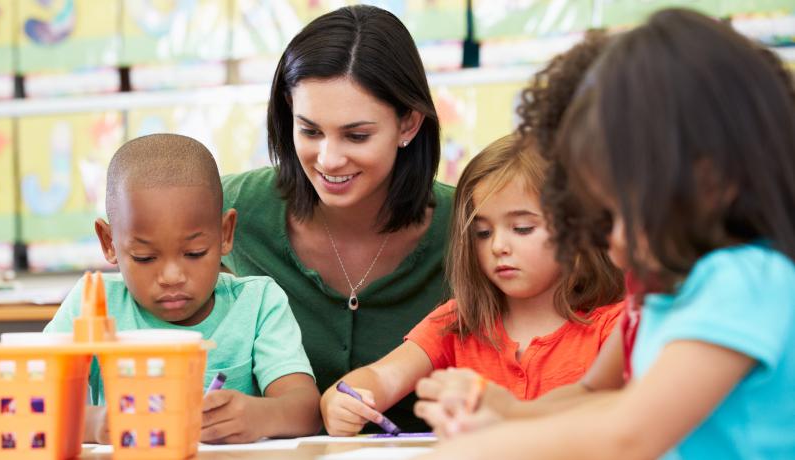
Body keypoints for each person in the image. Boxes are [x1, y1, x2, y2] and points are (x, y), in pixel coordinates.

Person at [416, 9, 795, 459]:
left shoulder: (746, 280)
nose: (611, 245)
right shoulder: (665, 292)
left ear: (707, 180)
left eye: (618, 215)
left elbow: (629, 434)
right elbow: (598, 397)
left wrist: (486, 447)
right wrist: (505, 411)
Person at [221, 5, 453, 432]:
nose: (328, 159)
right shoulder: (231, 207)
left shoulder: (472, 225)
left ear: (409, 124)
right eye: (309, 131)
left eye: (356, 135)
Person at [320, 133, 624, 436]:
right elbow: (381, 378)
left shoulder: (616, 327)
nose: (498, 246)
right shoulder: (458, 321)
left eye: (522, 228)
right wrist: (341, 401)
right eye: (482, 233)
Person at [414, 29, 629, 437]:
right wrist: (503, 410)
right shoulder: (648, 299)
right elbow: (589, 392)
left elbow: (632, 429)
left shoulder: (733, 285)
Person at [44, 134, 320, 444]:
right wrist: (94, 423)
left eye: (194, 253)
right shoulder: (92, 305)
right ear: (109, 243)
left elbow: (307, 410)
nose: (172, 276)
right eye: (144, 258)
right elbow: (32, 403)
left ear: (225, 233)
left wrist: (260, 416)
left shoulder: (258, 303)